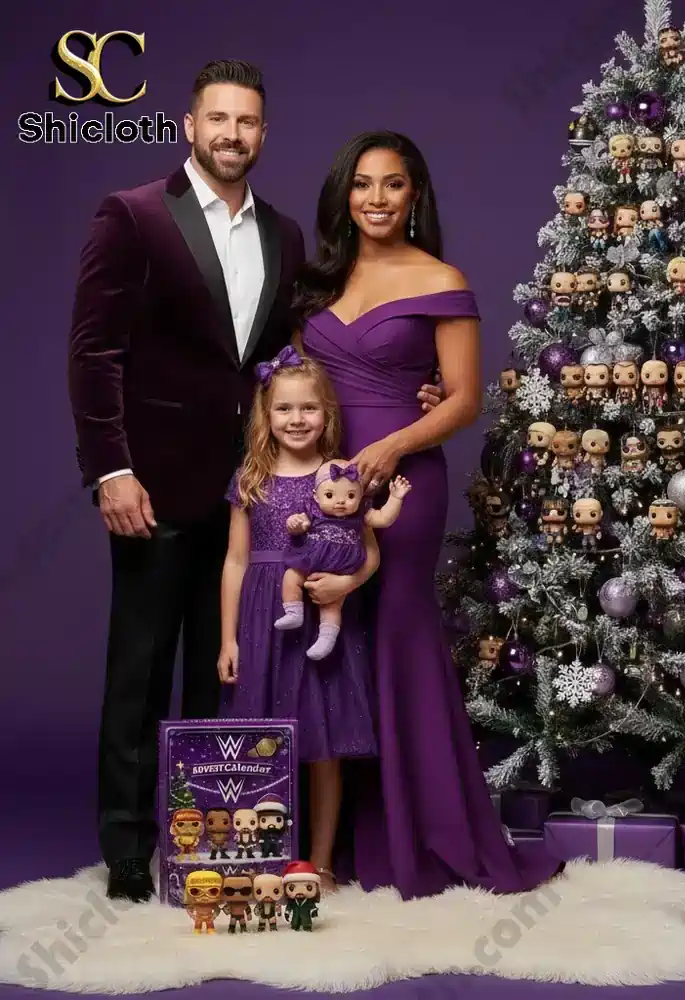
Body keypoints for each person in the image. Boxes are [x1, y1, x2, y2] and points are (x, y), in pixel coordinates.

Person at [67, 62, 443, 903]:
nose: (232, 135)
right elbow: (94, 353)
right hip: (153, 488)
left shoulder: (283, 234)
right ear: (189, 126)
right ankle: (128, 850)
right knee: (139, 671)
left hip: (253, 495)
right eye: (218, 119)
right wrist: (111, 469)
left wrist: (416, 382)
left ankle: (212, 834)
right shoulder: (132, 216)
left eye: (247, 122)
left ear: (263, 134)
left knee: (226, 677)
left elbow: (303, 353)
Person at [293, 130, 562, 899]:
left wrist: (393, 446)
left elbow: (465, 399)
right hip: (321, 479)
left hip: (401, 484)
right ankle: (327, 842)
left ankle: (418, 831)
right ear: (345, 195)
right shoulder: (318, 279)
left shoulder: (442, 278)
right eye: (362, 184)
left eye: (392, 184)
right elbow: (294, 382)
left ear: (415, 196)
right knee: (326, 644)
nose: (376, 198)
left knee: (394, 633)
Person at [218, 350, 385, 892]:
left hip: (322, 620)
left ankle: (321, 861)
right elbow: (235, 561)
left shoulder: (340, 474)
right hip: (262, 619)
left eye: (308, 408)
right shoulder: (250, 479)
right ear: (265, 415)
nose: (296, 419)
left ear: (326, 413)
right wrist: (227, 639)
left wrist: (346, 584)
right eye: (284, 409)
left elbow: (371, 553)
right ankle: (268, 859)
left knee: (325, 743)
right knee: (263, 740)